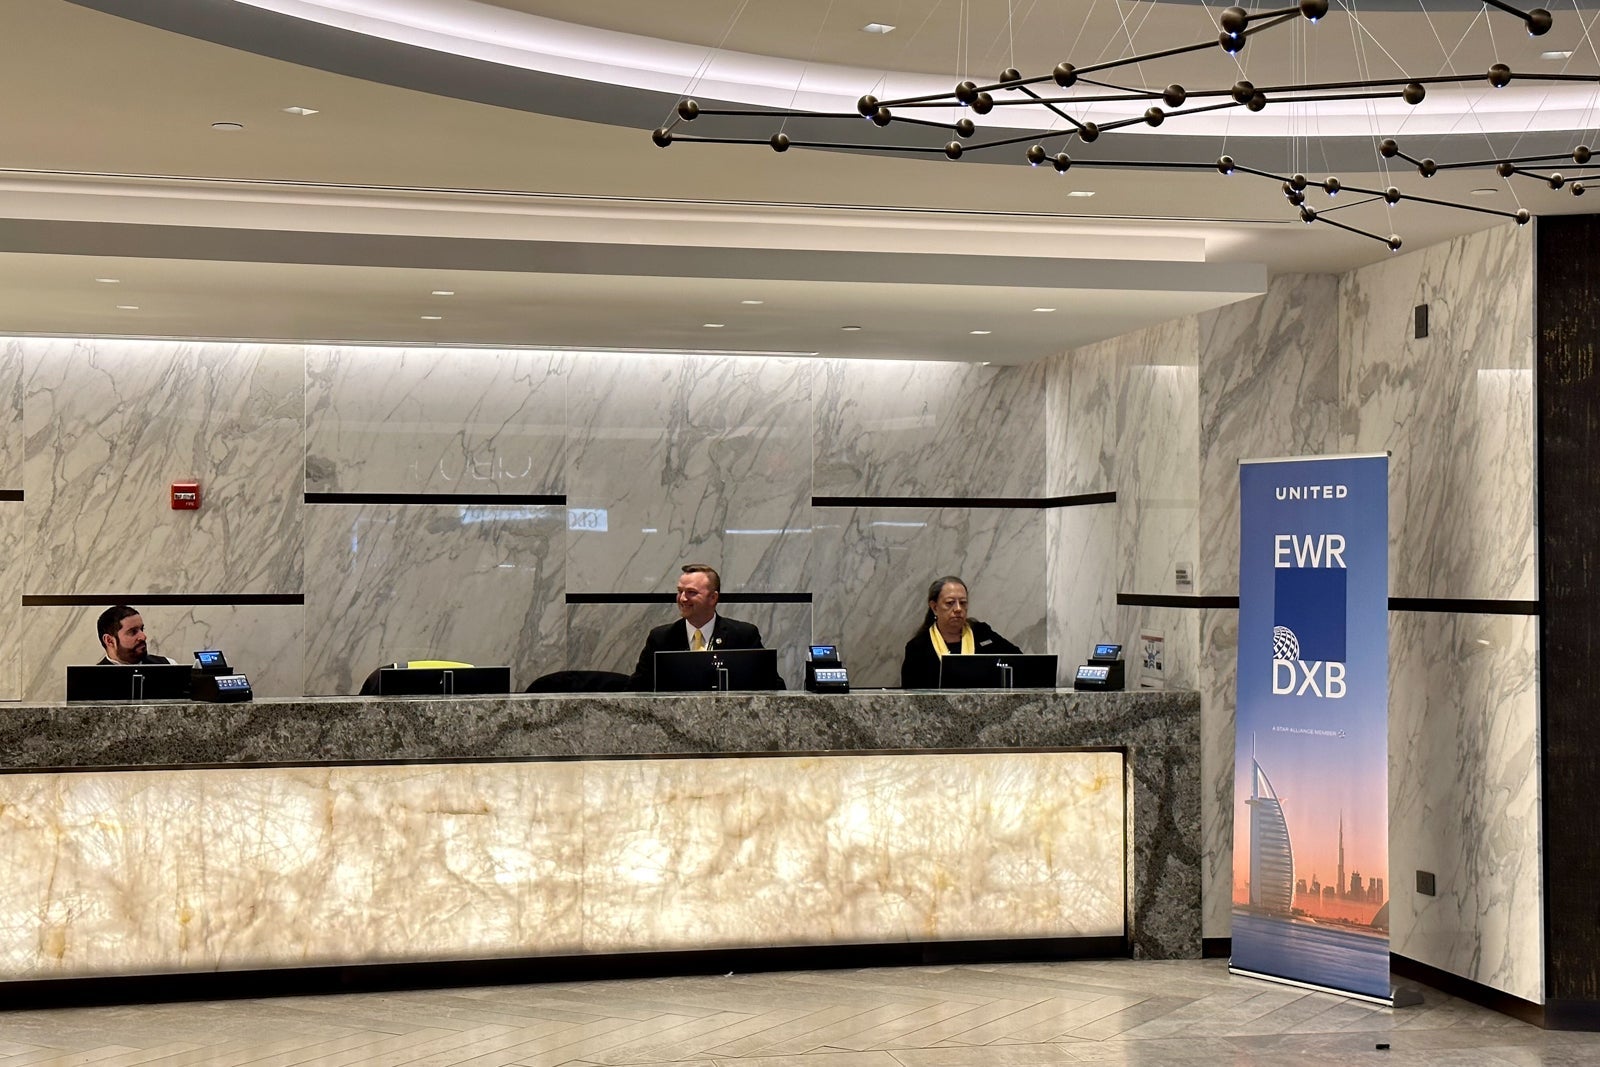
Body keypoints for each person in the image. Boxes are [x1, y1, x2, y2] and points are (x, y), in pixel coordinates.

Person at [628, 564, 777, 689]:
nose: (682, 598)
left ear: (713, 598)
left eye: (691, 592)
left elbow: (773, 688)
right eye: (680, 591)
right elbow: (635, 691)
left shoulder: (743, 636)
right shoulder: (660, 638)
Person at [900, 575, 1021, 688]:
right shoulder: (918, 647)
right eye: (950, 603)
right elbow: (911, 695)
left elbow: (1019, 661)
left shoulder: (982, 633)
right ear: (934, 607)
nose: (958, 609)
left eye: (963, 603)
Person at [95, 605, 177, 665]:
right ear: (109, 640)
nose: (143, 637)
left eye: (142, 629)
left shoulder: (169, 666)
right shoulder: (91, 679)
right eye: (133, 632)